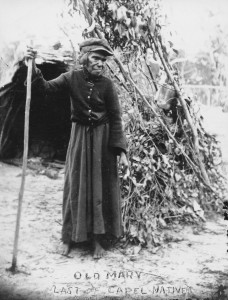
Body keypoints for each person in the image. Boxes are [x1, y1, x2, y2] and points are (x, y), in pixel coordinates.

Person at [25, 38, 129, 259]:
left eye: (103, 60)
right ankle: (69, 238)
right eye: (95, 58)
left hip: (103, 143)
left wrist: (121, 151)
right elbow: (44, 88)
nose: (100, 63)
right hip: (80, 139)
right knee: (76, 186)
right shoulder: (71, 78)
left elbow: (116, 117)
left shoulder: (108, 85)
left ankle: (98, 241)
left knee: (100, 190)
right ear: (84, 59)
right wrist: (32, 66)